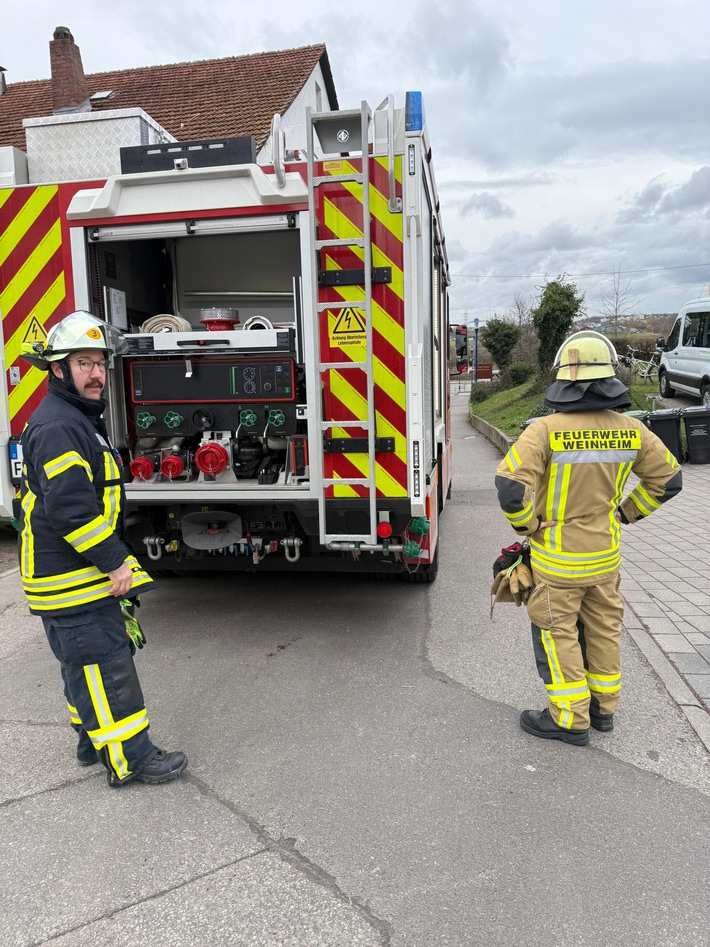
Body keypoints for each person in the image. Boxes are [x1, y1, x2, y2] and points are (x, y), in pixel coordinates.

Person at [19, 311, 187, 786]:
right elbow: (71, 510)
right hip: (72, 576)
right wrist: (114, 562)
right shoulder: (59, 427)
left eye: (100, 363)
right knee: (105, 664)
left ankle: (91, 739)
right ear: (58, 369)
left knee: (81, 663)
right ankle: (131, 759)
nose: (96, 373)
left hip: (63, 574)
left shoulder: (71, 419)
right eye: (83, 363)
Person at [494, 331, 682, 746]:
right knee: (603, 629)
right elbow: (670, 481)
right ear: (609, 378)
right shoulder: (633, 430)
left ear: (564, 381)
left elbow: (510, 487)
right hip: (605, 559)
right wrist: (626, 513)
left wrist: (528, 526)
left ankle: (568, 719)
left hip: (558, 562)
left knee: (557, 632)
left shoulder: (543, 430)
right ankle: (603, 710)